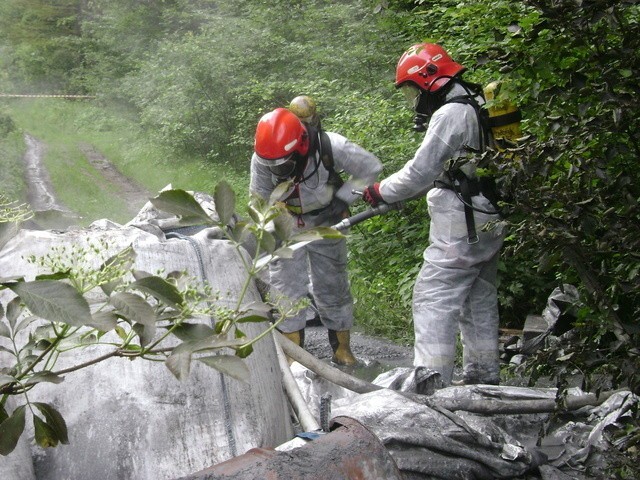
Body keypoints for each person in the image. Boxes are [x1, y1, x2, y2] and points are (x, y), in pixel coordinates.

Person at [361, 43, 506, 385]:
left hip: (462, 222)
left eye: (413, 91)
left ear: (429, 79)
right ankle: (483, 377)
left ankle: (430, 383)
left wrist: (381, 190)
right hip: (488, 213)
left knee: (433, 297)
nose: (415, 100)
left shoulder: (451, 114)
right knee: (478, 296)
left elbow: (420, 172)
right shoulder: (482, 102)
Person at [250, 107, 382, 366]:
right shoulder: (264, 157)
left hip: (327, 220)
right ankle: (293, 358)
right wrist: (270, 221)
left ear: (299, 147)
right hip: (286, 223)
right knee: (285, 288)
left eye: (284, 162)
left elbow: (370, 167)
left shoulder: (330, 145)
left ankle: (342, 350)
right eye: (272, 164)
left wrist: (344, 198)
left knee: (332, 286)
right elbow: (258, 199)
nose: (278, 169)